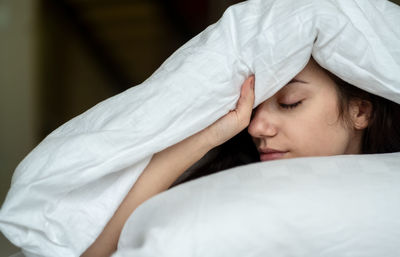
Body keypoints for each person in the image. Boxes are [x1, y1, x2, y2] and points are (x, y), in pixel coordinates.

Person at [81, 57, 400, 257]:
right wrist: (210, 135)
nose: (257, 127)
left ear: (360, 111)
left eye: (290, 102)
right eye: (255, 108)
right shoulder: (223, 190)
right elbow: (94, 253)